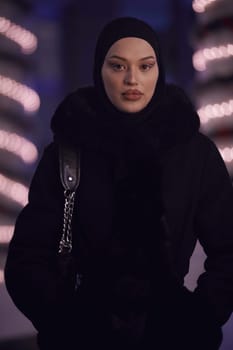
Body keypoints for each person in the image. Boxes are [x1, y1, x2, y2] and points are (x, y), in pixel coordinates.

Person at [4, 17, 233, 350]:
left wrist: (197, 317)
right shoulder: (67, 153)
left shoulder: (192, 153)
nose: (132, 79)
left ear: (159, 71)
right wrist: (65, 322)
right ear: (100, 70)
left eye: (145, 66)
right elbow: (27, 259)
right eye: (118, 66)